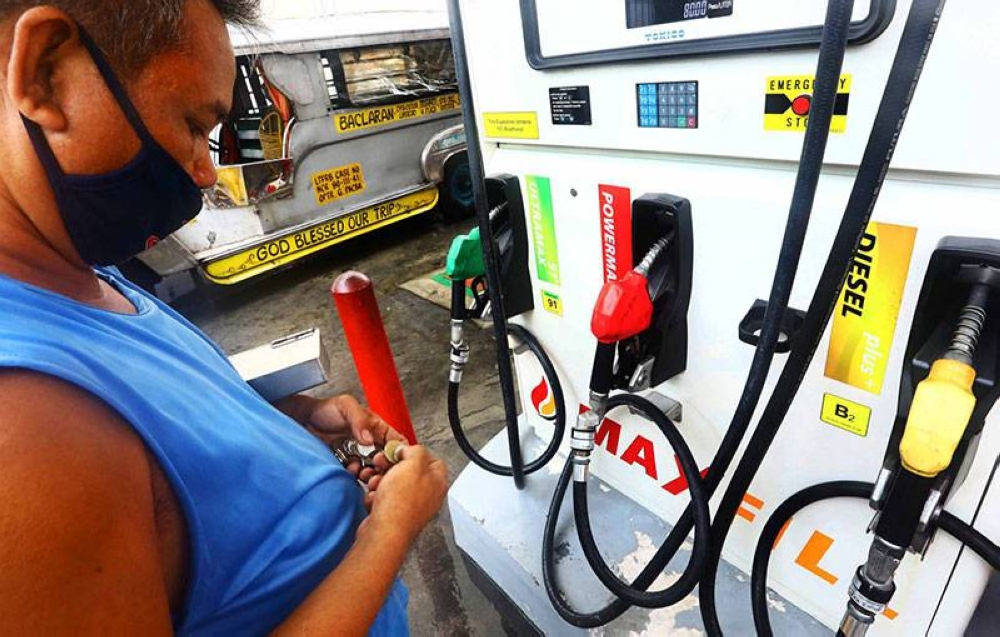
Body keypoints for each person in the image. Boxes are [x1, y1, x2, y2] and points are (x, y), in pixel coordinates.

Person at [0, 1, 449, 635]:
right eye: (192, 124)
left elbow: (160, 432)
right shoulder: (24, 427)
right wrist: (392, 528)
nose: (206, 169)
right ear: (46, 71)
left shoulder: (80, 272)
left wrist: (287, 421)